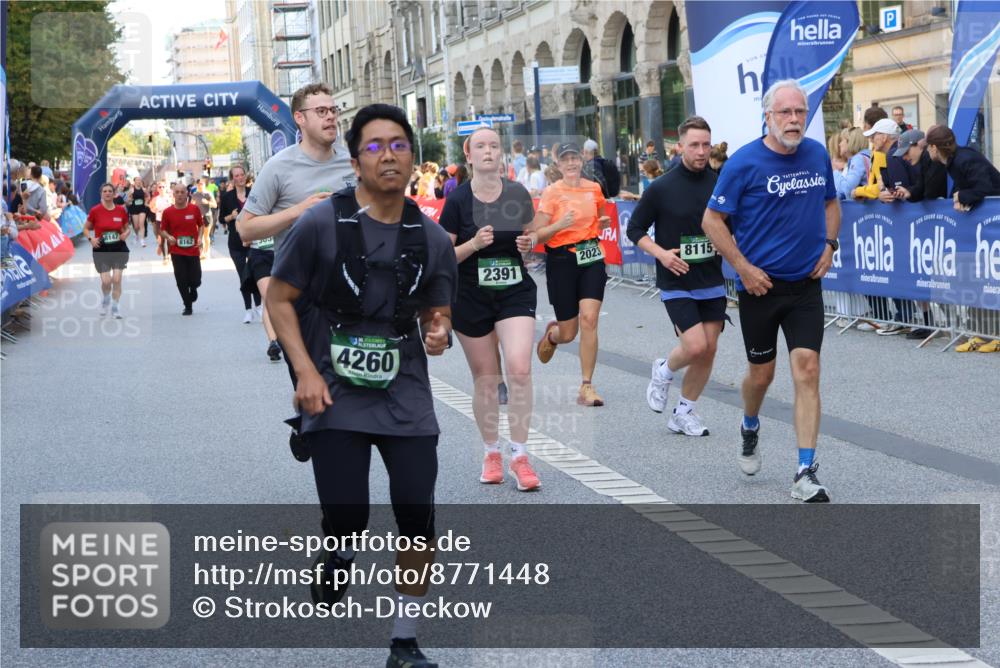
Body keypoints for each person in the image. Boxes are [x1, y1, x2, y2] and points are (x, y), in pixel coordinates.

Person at [267, 103, 455, 668]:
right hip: (332, 387)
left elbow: (436, 312)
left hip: (405, 393)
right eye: (374, 145)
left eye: (398, 144)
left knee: (417, 512)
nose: (388, 154)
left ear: (413, 158)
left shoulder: (433, 238)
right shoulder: (320, 224)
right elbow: (278, 299)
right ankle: (337, 552)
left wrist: (438, 329)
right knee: (349, 517)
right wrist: (303, 371)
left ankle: (405, 639)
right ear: (355, 161)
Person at [701, 79, 840, 503]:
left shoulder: (817, 155)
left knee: (808, 370)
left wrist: (830, 246)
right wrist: (742, 268)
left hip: (805, 287)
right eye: (786, 113)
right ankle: (749, 423)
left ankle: (804, 471)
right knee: (762, 376)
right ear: (768, 116)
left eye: (800, 112)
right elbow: (712, 221)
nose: (794, 120)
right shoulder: (744, 162)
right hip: (759, 289)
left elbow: (832, 203)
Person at [440, 126, 541, 491]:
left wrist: (530, 243)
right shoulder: (456, 200)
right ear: (468, 156)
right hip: (470, 295)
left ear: (501, 154)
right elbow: (443, 257)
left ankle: (520, 456)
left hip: (514, 291)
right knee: (486, 380)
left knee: (519, 368)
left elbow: (534, 234)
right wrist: (472, 244)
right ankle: (491, 452)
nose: (487, 152)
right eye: (480, 146)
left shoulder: (517, 193)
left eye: (493, 146)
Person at [237, 82, 356, 363]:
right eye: (321, 111)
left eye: (333, 110)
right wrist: (297, 212)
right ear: (299, 118)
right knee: (313, 385)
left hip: (350, 288)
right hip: (300, 291)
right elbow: (245, 228)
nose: (331, 117)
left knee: (352, 389)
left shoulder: (352, 163)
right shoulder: (278, 167)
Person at [628, 116, 726, 437]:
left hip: (711, 278)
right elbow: (635, 229)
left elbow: (732, 225)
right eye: (694, 145)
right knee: (695, 345)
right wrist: (662, 254)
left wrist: (727, 245)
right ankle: (664, 369)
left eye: (705, 145)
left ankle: (685, 411)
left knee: (709, 349)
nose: (701, 151)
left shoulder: (719, 183)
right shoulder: (661, 187)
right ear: (680, 146)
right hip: (676, 279)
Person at [520, 142, 613, 407]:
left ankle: (586, 386)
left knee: (590, 319)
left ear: (581, 161)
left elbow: (602, 217)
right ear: (558, 165)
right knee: (569, 333)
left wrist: (600, 223)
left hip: (591, 257)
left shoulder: (594, 189)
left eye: (575, 158)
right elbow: (536, 234)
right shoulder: (552, 192)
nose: (571, 163)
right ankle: (553, 335)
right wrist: (560, 224)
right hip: (561, 260)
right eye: (565, 160)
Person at [219, 165, 262, 323]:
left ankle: (259, 306)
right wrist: (231, 216)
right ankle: (248, 310)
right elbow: (221, 219)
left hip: (255, 240)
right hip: (236, 243)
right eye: (236, 175)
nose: (240, 178)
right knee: (243, 275)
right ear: (232, 178)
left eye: (242, 174)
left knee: (256, 274)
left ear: (246, 176)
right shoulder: (227, 197)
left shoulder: (255, 194)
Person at [925, 124, 1000, 211]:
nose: (927, 149)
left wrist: (961, 197)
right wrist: (958, 199)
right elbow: (965, 184)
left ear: (934, 147)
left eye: (928, 146)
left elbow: (985, 188)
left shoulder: (965, 159)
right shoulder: (953, 160)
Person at [84, 183, 131, 318]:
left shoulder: (121, 210)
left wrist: (126, 234)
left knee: (116, 279)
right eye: (105, 191)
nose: (107, 193)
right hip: (101, 249)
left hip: (118, 248)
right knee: (106, 281)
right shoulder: (95, 210)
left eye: (110, 191)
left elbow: (127, 228)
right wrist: (91, 239)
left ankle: (115, 307)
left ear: (114, 193)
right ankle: (106, 299)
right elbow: (86, 228)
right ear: (101, 194)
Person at [159, 182, 204, 315]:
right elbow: (162, 230)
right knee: (181, 279)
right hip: (177, 250)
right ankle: (187, 305)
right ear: (173, 195)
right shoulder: (168, 212)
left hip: (193, 249)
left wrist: (200, 238)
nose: (179, 195)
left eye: (182, 192)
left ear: (187, 194)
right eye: (177, 192)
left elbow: (201, 225)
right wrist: (168, 237)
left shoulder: (194, 209)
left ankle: (194, 288)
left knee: (196, 279)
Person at [833, 127, 870, 200]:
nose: (839, 144)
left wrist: (835, 171)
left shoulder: (858, 159)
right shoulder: (863, 157)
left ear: (850, 142)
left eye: (842, 140)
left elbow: (846, 189)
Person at [191, 180, 217, 259]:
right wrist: (192, 205)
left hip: (207, 216)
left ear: (204, 185)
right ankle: (201, 253)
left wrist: (207, 202)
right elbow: (191, 205)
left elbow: (215, 205)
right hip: (197, 217)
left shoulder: (208, 194)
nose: (200, 186)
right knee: (200, 236)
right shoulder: (194, 195)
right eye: (198, 184)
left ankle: (207, 251)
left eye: (201, 184)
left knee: (206, 236)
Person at [126, 177, 148, 247]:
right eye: (137, 180)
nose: (138, 181)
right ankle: (136, 235)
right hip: (134, 208)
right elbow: (128, 199)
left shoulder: (144, 190)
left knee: (141, 223)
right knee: (136, 226)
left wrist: (146, 202)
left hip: (142, 208)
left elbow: (148, 196)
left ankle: (142, 240)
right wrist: (130, 200)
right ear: (134, 181)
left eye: (140, 180)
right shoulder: (131, 190)